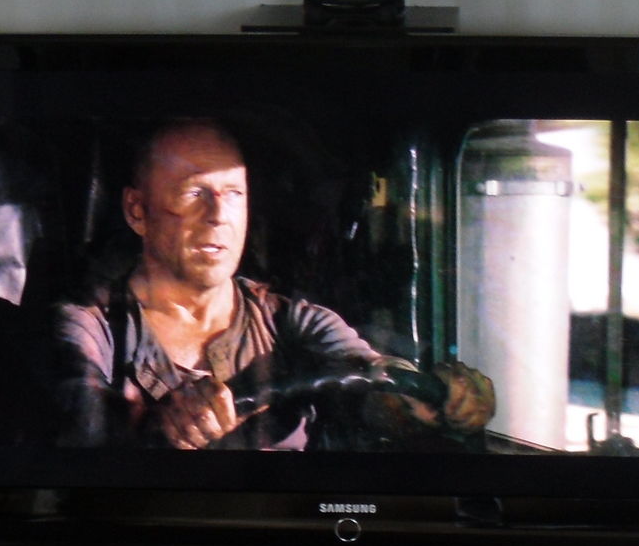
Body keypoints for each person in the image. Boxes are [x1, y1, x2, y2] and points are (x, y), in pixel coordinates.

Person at [52, 119, 493, 449]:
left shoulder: (294, 320)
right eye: (194, 193)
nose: (218, 216)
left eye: (233, 194)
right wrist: (153, 422)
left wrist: (431, 397)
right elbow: (77, 413)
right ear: (137, 210)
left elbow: (367, 374)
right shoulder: (90, 325)